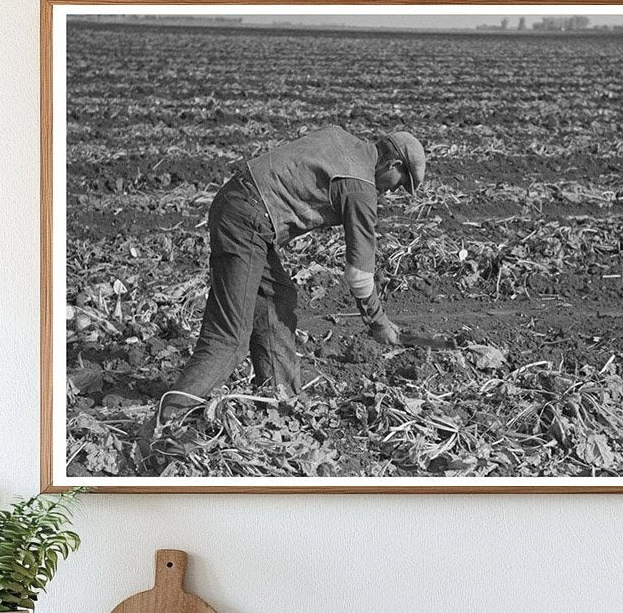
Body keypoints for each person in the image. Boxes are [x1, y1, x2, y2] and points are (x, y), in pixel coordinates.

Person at [158, 126, 426, 422]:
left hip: (242, 206)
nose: (391, 192)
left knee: (277, 300)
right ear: (394, 165)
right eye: (399, 184)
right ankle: (167, 417)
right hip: (246, 220)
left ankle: (280, 405)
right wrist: (379, 323)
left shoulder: (344, 141)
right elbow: (359, 276)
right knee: (230, 340)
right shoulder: (361, 186)